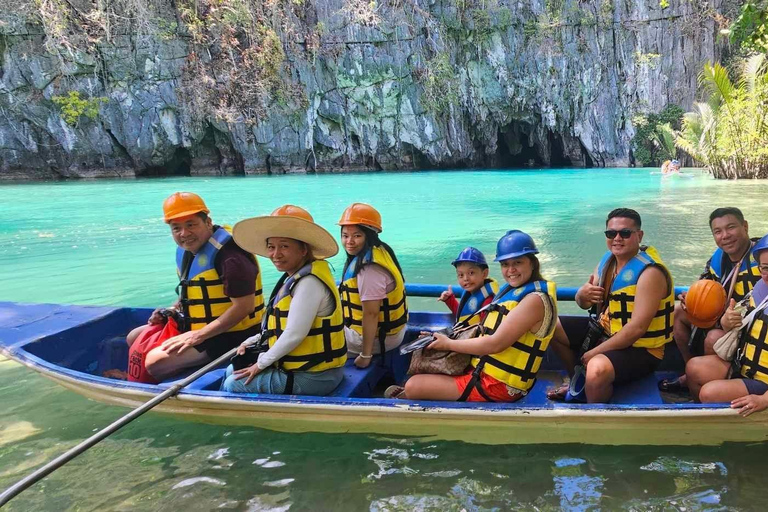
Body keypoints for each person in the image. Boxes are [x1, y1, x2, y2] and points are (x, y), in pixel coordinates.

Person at [392, 230, 558, 402]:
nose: (511, 270)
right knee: (425, 368)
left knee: (413, 386)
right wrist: (442, 338)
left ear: (532, 263)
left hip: (497, 385)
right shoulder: (516, 292)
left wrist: (450, 344)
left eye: (518, 262)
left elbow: (495, 344)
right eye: (504, 264)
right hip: (483, 370)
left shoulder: (534, 301)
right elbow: (481, 329)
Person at [129, 192, 264, 381]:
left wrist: (198, 336)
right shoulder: (189, 251)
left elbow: (244, 307)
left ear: (208, 222)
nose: (184, 234)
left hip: (233, 333)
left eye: (191, 225)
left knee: (154, 362)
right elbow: (193, 292)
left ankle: (190, 374)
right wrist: (171, 310)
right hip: (198, 326)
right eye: (176, 228)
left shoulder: (230, 257)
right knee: (134, 337)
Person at [549, 208, 675, 403]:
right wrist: (581, 296)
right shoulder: (607, 263)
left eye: (625, 233)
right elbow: (584, 304)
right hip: (607, 332)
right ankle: (578, 382)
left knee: (597, 367)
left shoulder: (650, 273)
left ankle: (596, 412)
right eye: (611, 233)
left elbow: (636, 329)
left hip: (642, 349)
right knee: (550, 326)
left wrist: (595, 352)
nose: (617, 238)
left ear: (639, 235)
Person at [220, 205, 347, 395]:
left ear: (304, 249)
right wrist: (252, 340)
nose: (276, 254)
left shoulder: (309, 283)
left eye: (284, 246)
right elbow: (278, 326)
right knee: (232, 370)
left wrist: (261, 364)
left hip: (316, 375)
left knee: (233, 384)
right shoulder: (293, 277)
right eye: (271, 247)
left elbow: (295, 333)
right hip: (298, 367)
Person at [661, 207, 761, 392]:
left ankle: (713, 382)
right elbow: (704, 283)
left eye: (731, 227)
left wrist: (732, 319)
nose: (725, 235)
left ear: (745, 227)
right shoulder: (718, 259)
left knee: (713, 338)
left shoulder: (762, 259)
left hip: (748, 326)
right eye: (718, 231)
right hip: (721, 317)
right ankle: (690, 370)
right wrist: (690, 297)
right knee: (678, 312)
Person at [685, 234, 768, 416]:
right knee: (694, 367)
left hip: (764, 382)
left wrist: (763, 399)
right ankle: (699, 417)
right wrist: (727, 320)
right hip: (745, 367)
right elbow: (732, 323)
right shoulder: (761, 289)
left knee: (709, 392)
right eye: (765, 268)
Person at [337, 203, 408, 369]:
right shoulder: (381, 250)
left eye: (357, 236)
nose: (349, 242)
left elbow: (371, 314)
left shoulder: (369, 269)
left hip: (377, 339)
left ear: (368, 235)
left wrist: (365, 355)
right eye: (345, 236)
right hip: (390, 332)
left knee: (313, 337)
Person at [438, 247, 498, 325]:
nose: (466, 279)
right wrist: (449, 299)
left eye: (471, 273)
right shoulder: (470, 293)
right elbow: (465, 316)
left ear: (484, 274)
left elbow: (486, 330)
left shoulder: (488, 301)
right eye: (461, 275)